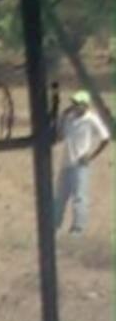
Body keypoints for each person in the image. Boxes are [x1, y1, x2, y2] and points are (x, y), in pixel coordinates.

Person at [54, 90, 110, 234]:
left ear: (85, 105)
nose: (74, 106)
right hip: (66, 161)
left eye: (77, 104)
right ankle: (55, 224)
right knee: (60, 196)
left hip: (80, 164)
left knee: (79, 197)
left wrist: (91, 156)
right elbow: (60, 136)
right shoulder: (69, 118)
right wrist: (61, 117)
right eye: (73, 103)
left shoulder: (91, 119)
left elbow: (105, 138)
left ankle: (78, 227)